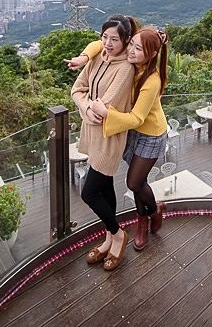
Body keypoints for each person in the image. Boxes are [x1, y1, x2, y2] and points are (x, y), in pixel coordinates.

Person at [78, 27, 169, 251]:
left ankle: (149, 214)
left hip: (150, 134)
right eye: (131, 45)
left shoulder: (151, 80)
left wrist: (107, 113)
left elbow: (138, 118)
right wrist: (85, 56)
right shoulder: (130, 64)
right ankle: (149, 213)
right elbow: (102, 43)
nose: (131, 51)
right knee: (139, 183)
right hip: (129, 130)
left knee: (134, 182)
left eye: (139, 49)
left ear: (151, 54)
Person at [71, 15, 136, 271]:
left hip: (109, 138)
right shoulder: (97, 57)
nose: (108, 44)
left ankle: (118, 234)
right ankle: (110, 237)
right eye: (104, 38)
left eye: (114, 39)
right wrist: (87, 108)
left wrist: (88, 108)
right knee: (105, 185)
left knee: (89, 192)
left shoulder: (125, 68)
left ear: (126, 40)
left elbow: (104, 109)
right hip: (91, 133)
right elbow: (77, 90)